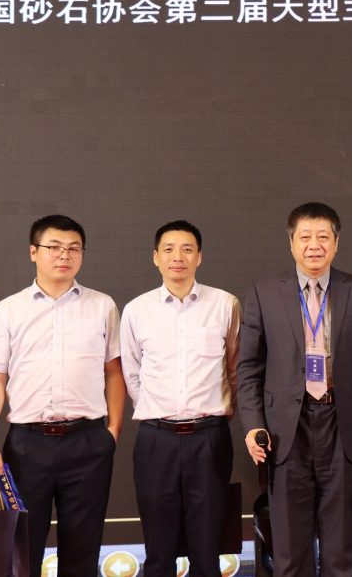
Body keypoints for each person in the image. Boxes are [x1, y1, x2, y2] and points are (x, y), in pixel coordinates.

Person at [0, 214, 124, 577]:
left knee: (83, 550)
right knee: (21, 551)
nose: (64, 255)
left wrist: (113, 431)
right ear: (33, 252)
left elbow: (114, 372)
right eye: (54, 247)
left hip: (88, 442)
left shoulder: (102, 306)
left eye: (73, 248)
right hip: (27, 445)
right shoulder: (8, 310)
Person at [237, 202, 352, 577]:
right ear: (291, 243)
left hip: (341, 425)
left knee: (342, 549)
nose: (314, 245)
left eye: (322, 237)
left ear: (336, 242)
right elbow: (249, 366)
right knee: (289, 550)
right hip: (286, 430)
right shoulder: (264, 292)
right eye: (305, 237)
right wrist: (253, 424)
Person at [120, 220, 240, 576]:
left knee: (208, 548)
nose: (178, 257)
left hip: (209, 438)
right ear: (155, 257)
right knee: (159, 551)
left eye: (187, 249)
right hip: (156, 439)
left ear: (199, 257)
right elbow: (132, 374)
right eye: (169, 249)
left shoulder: (225, 304)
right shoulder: (136, 310)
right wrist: (160, 412)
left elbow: (235, 368)